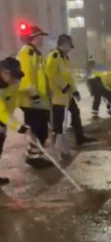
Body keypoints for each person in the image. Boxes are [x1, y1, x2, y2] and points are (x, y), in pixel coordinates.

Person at [46, 34, 96, 150]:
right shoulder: (54, 56)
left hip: (67, 94)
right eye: (69, 46)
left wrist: (75, 91)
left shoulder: (65, 58)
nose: (70, 49)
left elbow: (69, 77)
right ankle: (58, 144)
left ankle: (80, 137)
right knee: (59, 121)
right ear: (64, 44)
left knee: (75, 113)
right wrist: (63, 86)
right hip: (58, 95)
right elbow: (51, 74)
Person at [17, 25, 53, 169]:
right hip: (31, 100)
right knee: (38, 129)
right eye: (40, 37)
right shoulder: (27, 52)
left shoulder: (35, 53)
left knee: (41, 129)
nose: (42, 40)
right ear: (34, 37)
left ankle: (34, 156)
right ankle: (34, 158)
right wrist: (34, 96)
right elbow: (25, 77)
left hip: (38, 99)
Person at [0, 57, 34, 185]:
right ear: (4, 72)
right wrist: (18, 126)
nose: (16, 79)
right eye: (13, 75)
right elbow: (1, 111)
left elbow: (15, 96)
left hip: (3, 119)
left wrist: (31, 93)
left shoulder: (12, 83)